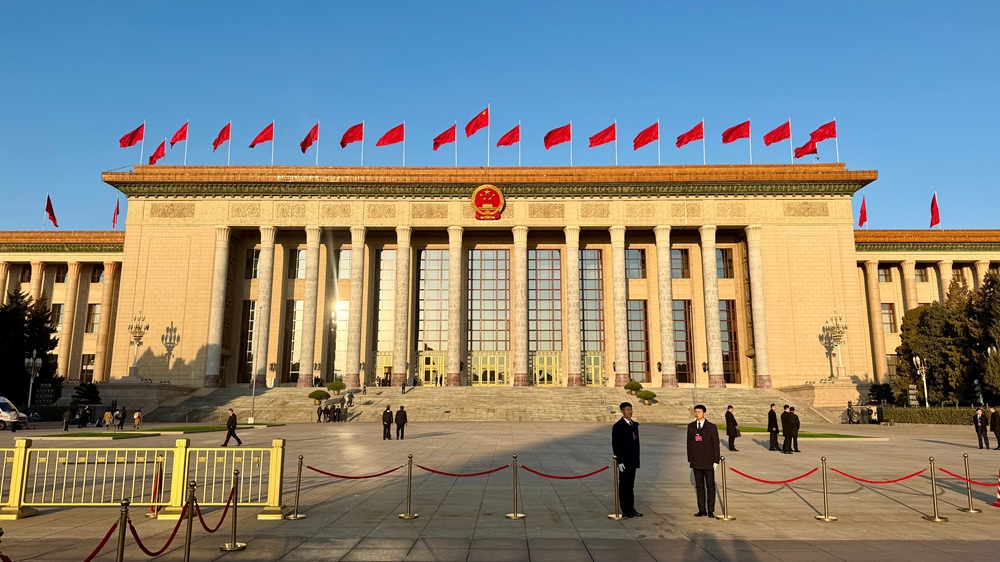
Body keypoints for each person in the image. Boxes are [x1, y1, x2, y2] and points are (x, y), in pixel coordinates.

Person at [687, 405, 721, 518]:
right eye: (696, 412)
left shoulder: (711, 427)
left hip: (708, 461)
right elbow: (689, 444)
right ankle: (702, 509)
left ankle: (710, 510)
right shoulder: (691, 427)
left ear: (704, 413)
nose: (697, 414)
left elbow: (715, 444)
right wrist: (690, 458)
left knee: (710, 487)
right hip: (696, 461)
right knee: (699, 487)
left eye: (699, 412)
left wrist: (716, 460)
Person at [611, 402, 641, 518]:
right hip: (624, 461)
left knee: (630, 485)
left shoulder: (634, 425)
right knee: (624, 486)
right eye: (627, 410)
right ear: (622, 411)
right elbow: (616, 445)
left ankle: (631, 508)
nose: (630, 412)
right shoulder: (618, 426)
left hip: (632, 460)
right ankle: (625, 510)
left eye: (631, 409)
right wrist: (620, 461)